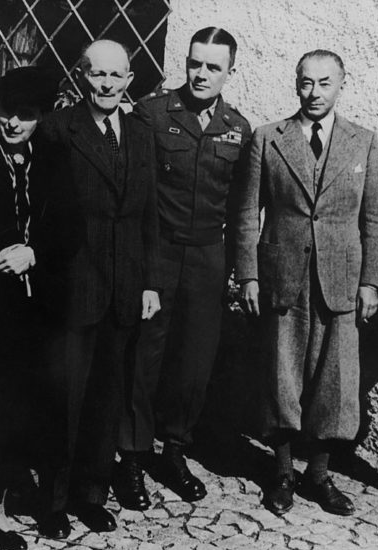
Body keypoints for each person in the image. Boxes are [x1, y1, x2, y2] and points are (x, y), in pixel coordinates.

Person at [234, 50, 378, 517]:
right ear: (295, 84)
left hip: (340, 279)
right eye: (306, 83)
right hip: (283, 276)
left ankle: (318, 476)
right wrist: (249, 274)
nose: (314, 93)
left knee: (334, 382)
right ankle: (281, 474)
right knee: (282, 375)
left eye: (324, 83)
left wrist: (370, 283)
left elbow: (373, 219)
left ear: (342, 84)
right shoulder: (267, 138)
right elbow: (245, 212)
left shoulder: (363, 141)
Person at [115, 26, 252, 510]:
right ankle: (131, 458)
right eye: (195, 63)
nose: (201, 74)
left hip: (206, 261)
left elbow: (240, 210)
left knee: (194, 363)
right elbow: (136, 198)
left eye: (213, 67)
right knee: (143, 359)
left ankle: (174, 451)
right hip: (158, 252)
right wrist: (141, 268)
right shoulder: (152, 115)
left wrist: (239, 272)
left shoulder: (238, 127)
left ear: (229, 72)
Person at [35, 39, 160, 538]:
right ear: (81, 77)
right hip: (75, 286)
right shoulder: (56, 131)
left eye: (117, 75)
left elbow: (148, 213)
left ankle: (92, 494)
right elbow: (43, 216)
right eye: (97, 75)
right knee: (65, 400)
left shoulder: (139, 132)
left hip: (125, 287)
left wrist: (150, 282)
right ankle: (53, 501)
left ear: (130, 80)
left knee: (107, 398)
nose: (107, 84)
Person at [0, 66, 81, 550]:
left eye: (26, 116)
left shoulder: (54, 159)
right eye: (6, 113)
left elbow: (72, 227)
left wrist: (35, 252)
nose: (13, 124)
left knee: (22, 411)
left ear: (40, 118)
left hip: (40, 310)